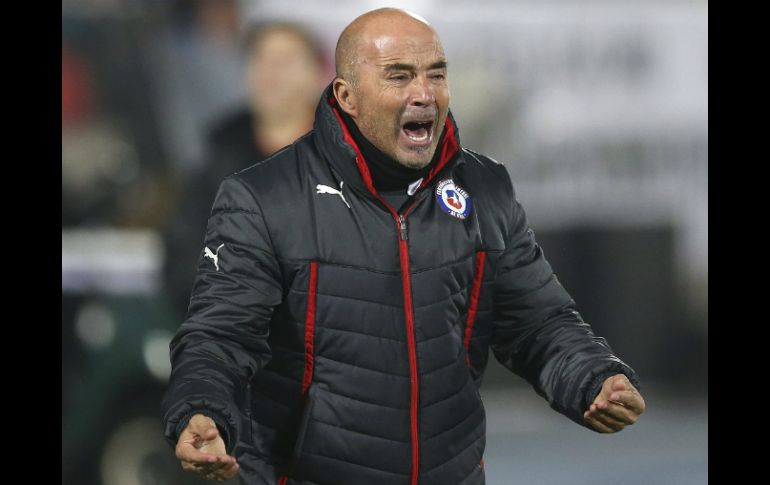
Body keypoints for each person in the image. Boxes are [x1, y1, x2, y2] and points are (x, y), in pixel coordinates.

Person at [161, 8, 646, 485]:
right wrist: (201, 409)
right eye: (399, 76)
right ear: (346, 96)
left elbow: (538, 321)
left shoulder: (485, 188)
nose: (424, 94)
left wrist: (593, 377)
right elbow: (221, 335)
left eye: (436, 74)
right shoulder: (263, 197)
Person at [162, 20, 327, 318]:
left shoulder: (348, 158)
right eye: (260, 59)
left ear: (317, 74)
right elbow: (183, 257)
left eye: (285, 61)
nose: (270, 72)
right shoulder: (219, 159)